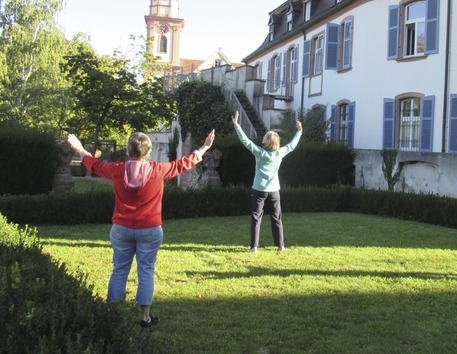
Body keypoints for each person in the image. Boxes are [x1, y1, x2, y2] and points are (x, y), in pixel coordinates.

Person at [66, 129, 215, 327]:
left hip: (121, 228)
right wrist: (204, 147)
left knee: (119, 270)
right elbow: (183, 164)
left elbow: (95, 165)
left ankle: (113, 315)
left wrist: (79, 149)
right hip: (150, 229)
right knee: (146, 271)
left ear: (128, 150)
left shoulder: (118, 169)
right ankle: (145, 317)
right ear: (149, 151)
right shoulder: (158, 169)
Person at [232, 111, 302, 253]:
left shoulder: (260, 153)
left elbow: (246, 141)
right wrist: (299, 131)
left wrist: (236, 125)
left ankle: (254, 247)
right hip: (274, 190)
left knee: (256, 217)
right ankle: (281, 246)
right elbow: (292, 145)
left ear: (266, 141)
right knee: (277, 217)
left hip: (259, 189)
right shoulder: (280, 153)